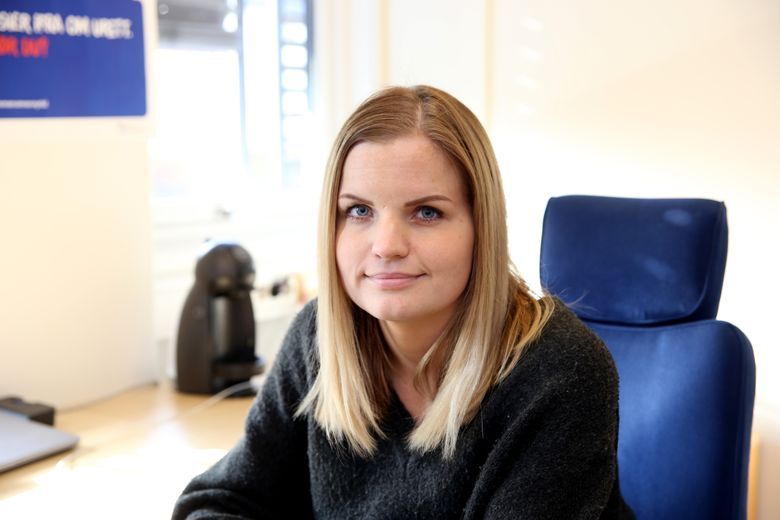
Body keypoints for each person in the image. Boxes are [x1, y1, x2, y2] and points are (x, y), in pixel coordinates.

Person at [172, 85, 635, 519]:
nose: (387, 245)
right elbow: (220, 500)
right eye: (359, 211)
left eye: (427, 212)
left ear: (482, 228)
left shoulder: (562, 372)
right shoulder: (319, 337)